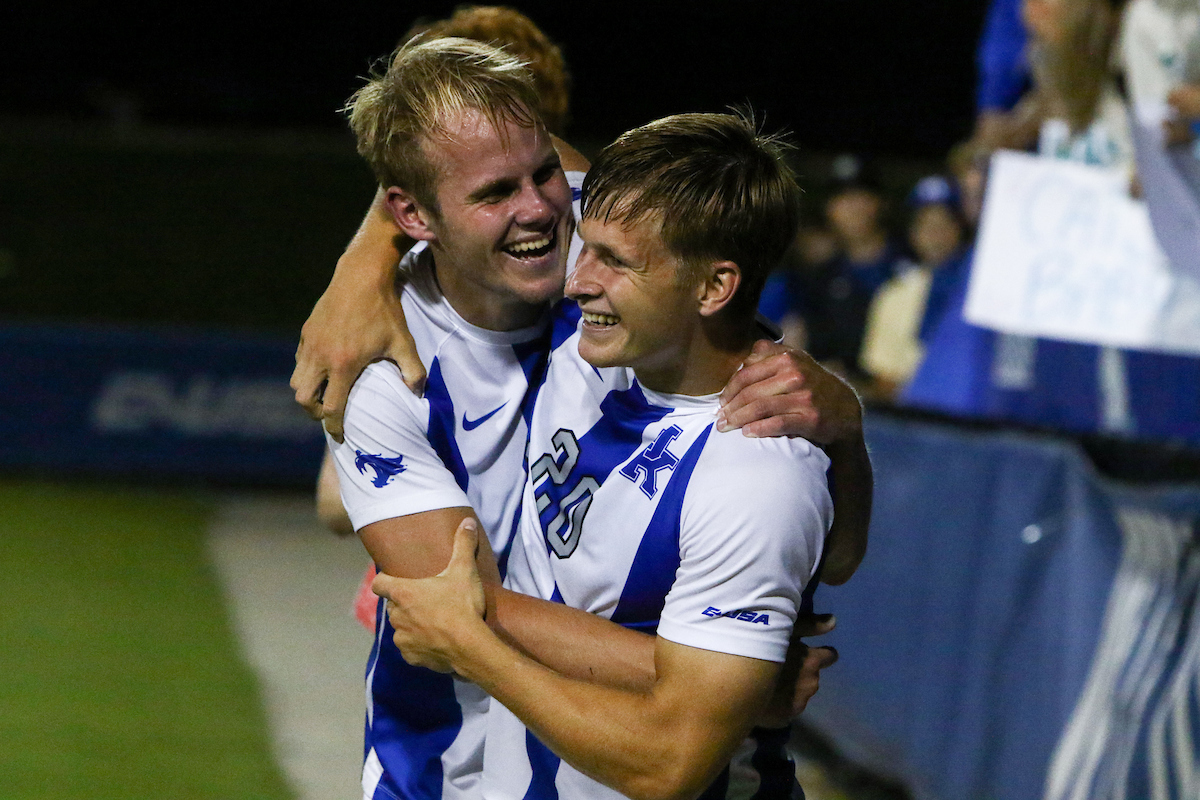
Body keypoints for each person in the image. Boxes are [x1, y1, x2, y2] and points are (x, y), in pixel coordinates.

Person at [323, 37, 871, 800]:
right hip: (440, 764)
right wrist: (738, 674)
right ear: (412, 214)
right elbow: (455, 606)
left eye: (548, 174)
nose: (552, 220)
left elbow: (667, 751)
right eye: (493, 194)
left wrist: (843, 427)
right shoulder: (384, 370)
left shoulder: (739, 442)